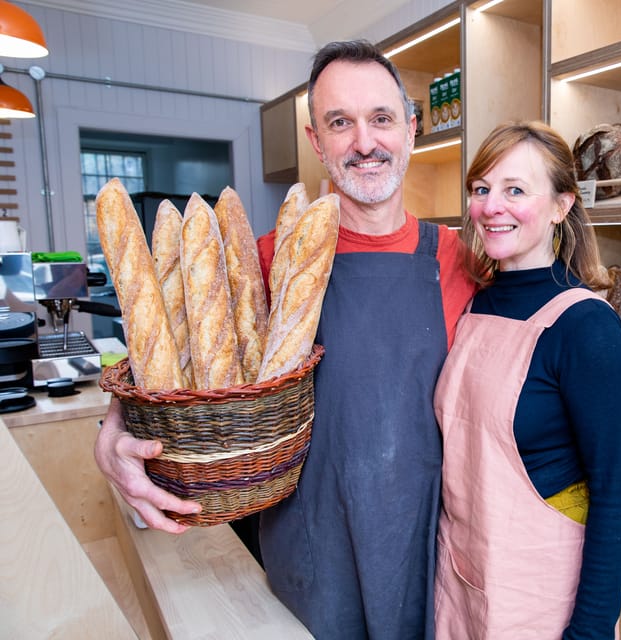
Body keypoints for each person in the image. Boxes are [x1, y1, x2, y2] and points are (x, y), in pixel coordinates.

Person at [94, 39, 476, 639]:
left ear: (411, 126)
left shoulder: (462, 260)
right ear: (314, 140)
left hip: (425, 552)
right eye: (340, 123)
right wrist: (112, 437)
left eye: (381, 118)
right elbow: (172, 383)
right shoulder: (261, 265)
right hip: (309, 558)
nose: (365, 142)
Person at [432, 121, 621, 639]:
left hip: (541, 598)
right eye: (482, 189)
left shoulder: (586, 326)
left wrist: (589, 631)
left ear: (560, 206)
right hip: (460, 577)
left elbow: (617, 491)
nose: (491, 206)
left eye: (515, 190)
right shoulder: (475, 302)